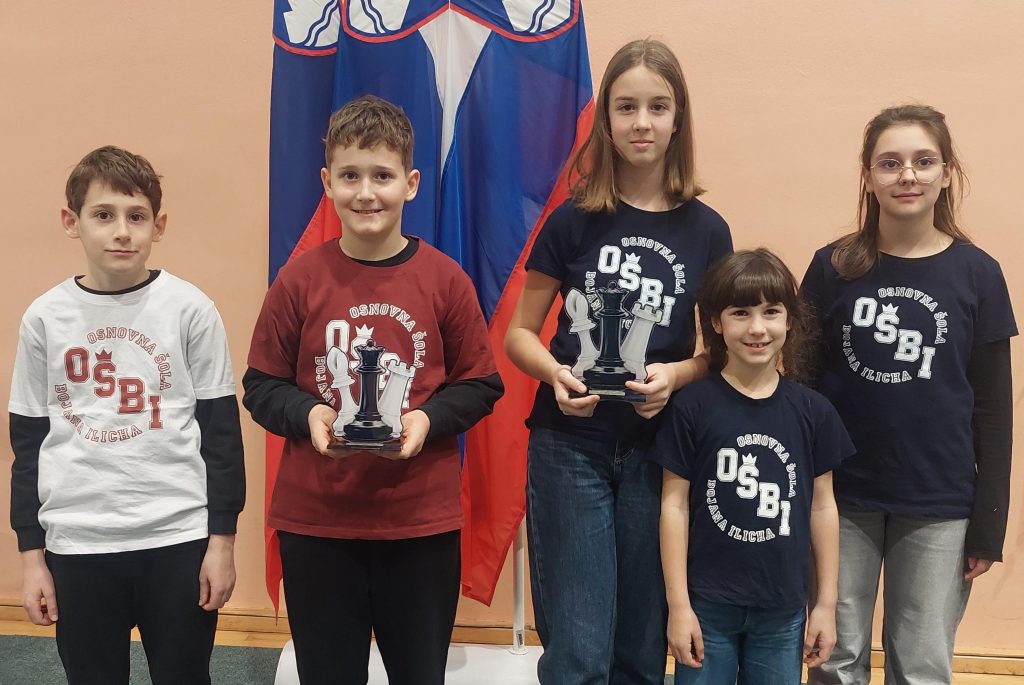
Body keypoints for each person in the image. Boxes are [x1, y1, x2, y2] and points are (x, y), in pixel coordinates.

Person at [243, 95, 503, 685]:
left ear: (411, 184)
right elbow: (261, 384)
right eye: (350, 176)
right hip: (317, 522)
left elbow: (480, 384)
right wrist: (309, 414)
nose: (366, 193)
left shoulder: (444, 280)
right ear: (327, 183)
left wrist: (426, 421)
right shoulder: (299, 280)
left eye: (382, 176)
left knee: (419, 673)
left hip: (419, 524)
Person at [504, 38, 732, 684]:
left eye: (658, 107)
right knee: (578, 648)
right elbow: (520, 334)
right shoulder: (572, 220)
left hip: (661, 451)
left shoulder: (707, 230)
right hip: (568, 445)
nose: (641, 123)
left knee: (638, 645)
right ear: (605, 118)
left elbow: (720, 350)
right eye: (626, 107)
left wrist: (677, 375)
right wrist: (555, 373)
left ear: (678, 118)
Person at [9, 145, 245, 684]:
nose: (121, 232)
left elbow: (221, 437)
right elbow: (28, 444)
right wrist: (32, 557)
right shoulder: (45, 318)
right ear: (71, 222)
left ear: (158, 226)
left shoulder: (191, 309)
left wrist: (222, 542)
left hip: (178, 539)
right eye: (103, 214)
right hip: (79, 543)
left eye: (136, 216)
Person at [801, 104, 1016, 685]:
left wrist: (990, 521)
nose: (908, 175)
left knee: (921, 665)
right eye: (890, 163)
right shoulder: (831, 268)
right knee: (834, 659)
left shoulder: (978, 274)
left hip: (940, 502)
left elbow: (995, 412)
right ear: (868, 176)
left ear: (946, 173)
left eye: (924, 161)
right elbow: (800, 388)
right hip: (840, 496)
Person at [649, 248, 854, 684]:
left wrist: (825, 604)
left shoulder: (814, 412)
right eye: (740, 313)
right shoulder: (691, 407)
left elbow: (823, 507)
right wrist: (678, 605)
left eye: (771, 312)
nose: (757, 328)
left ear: (790, 320)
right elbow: (674, 506)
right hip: (707, 605)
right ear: (716, 323)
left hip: (782, 608)